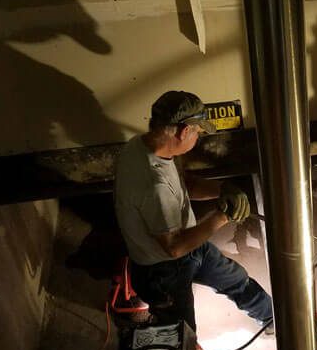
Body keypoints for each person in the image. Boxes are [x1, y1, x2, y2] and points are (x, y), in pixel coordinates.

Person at [113, 90, 274, 334]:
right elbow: (174, 247)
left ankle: (275, 322)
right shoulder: (153, 185)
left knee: (237, 281)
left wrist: (223, 189)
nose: (198, 137)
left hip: (191, 246)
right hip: (163, 271)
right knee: (182, 335)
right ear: (183, 131)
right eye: (197, 132)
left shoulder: (142, 146)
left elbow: (185, 184)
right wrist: (222, 217)